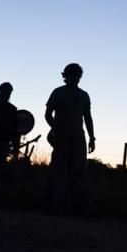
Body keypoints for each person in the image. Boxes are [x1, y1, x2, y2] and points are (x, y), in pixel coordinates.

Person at [44, 63, 95, 215]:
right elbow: (47, 114)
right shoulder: (58, 92)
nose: (76, 78)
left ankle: (75, 206)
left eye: (78, 75)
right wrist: (56, 129)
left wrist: (92, 138)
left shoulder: (84, 95)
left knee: (78, 172)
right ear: (66, 76)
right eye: (72, 75)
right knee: (59, 171)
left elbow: (88, 117)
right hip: (62, 138)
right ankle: (56, 206)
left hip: (79, 137)